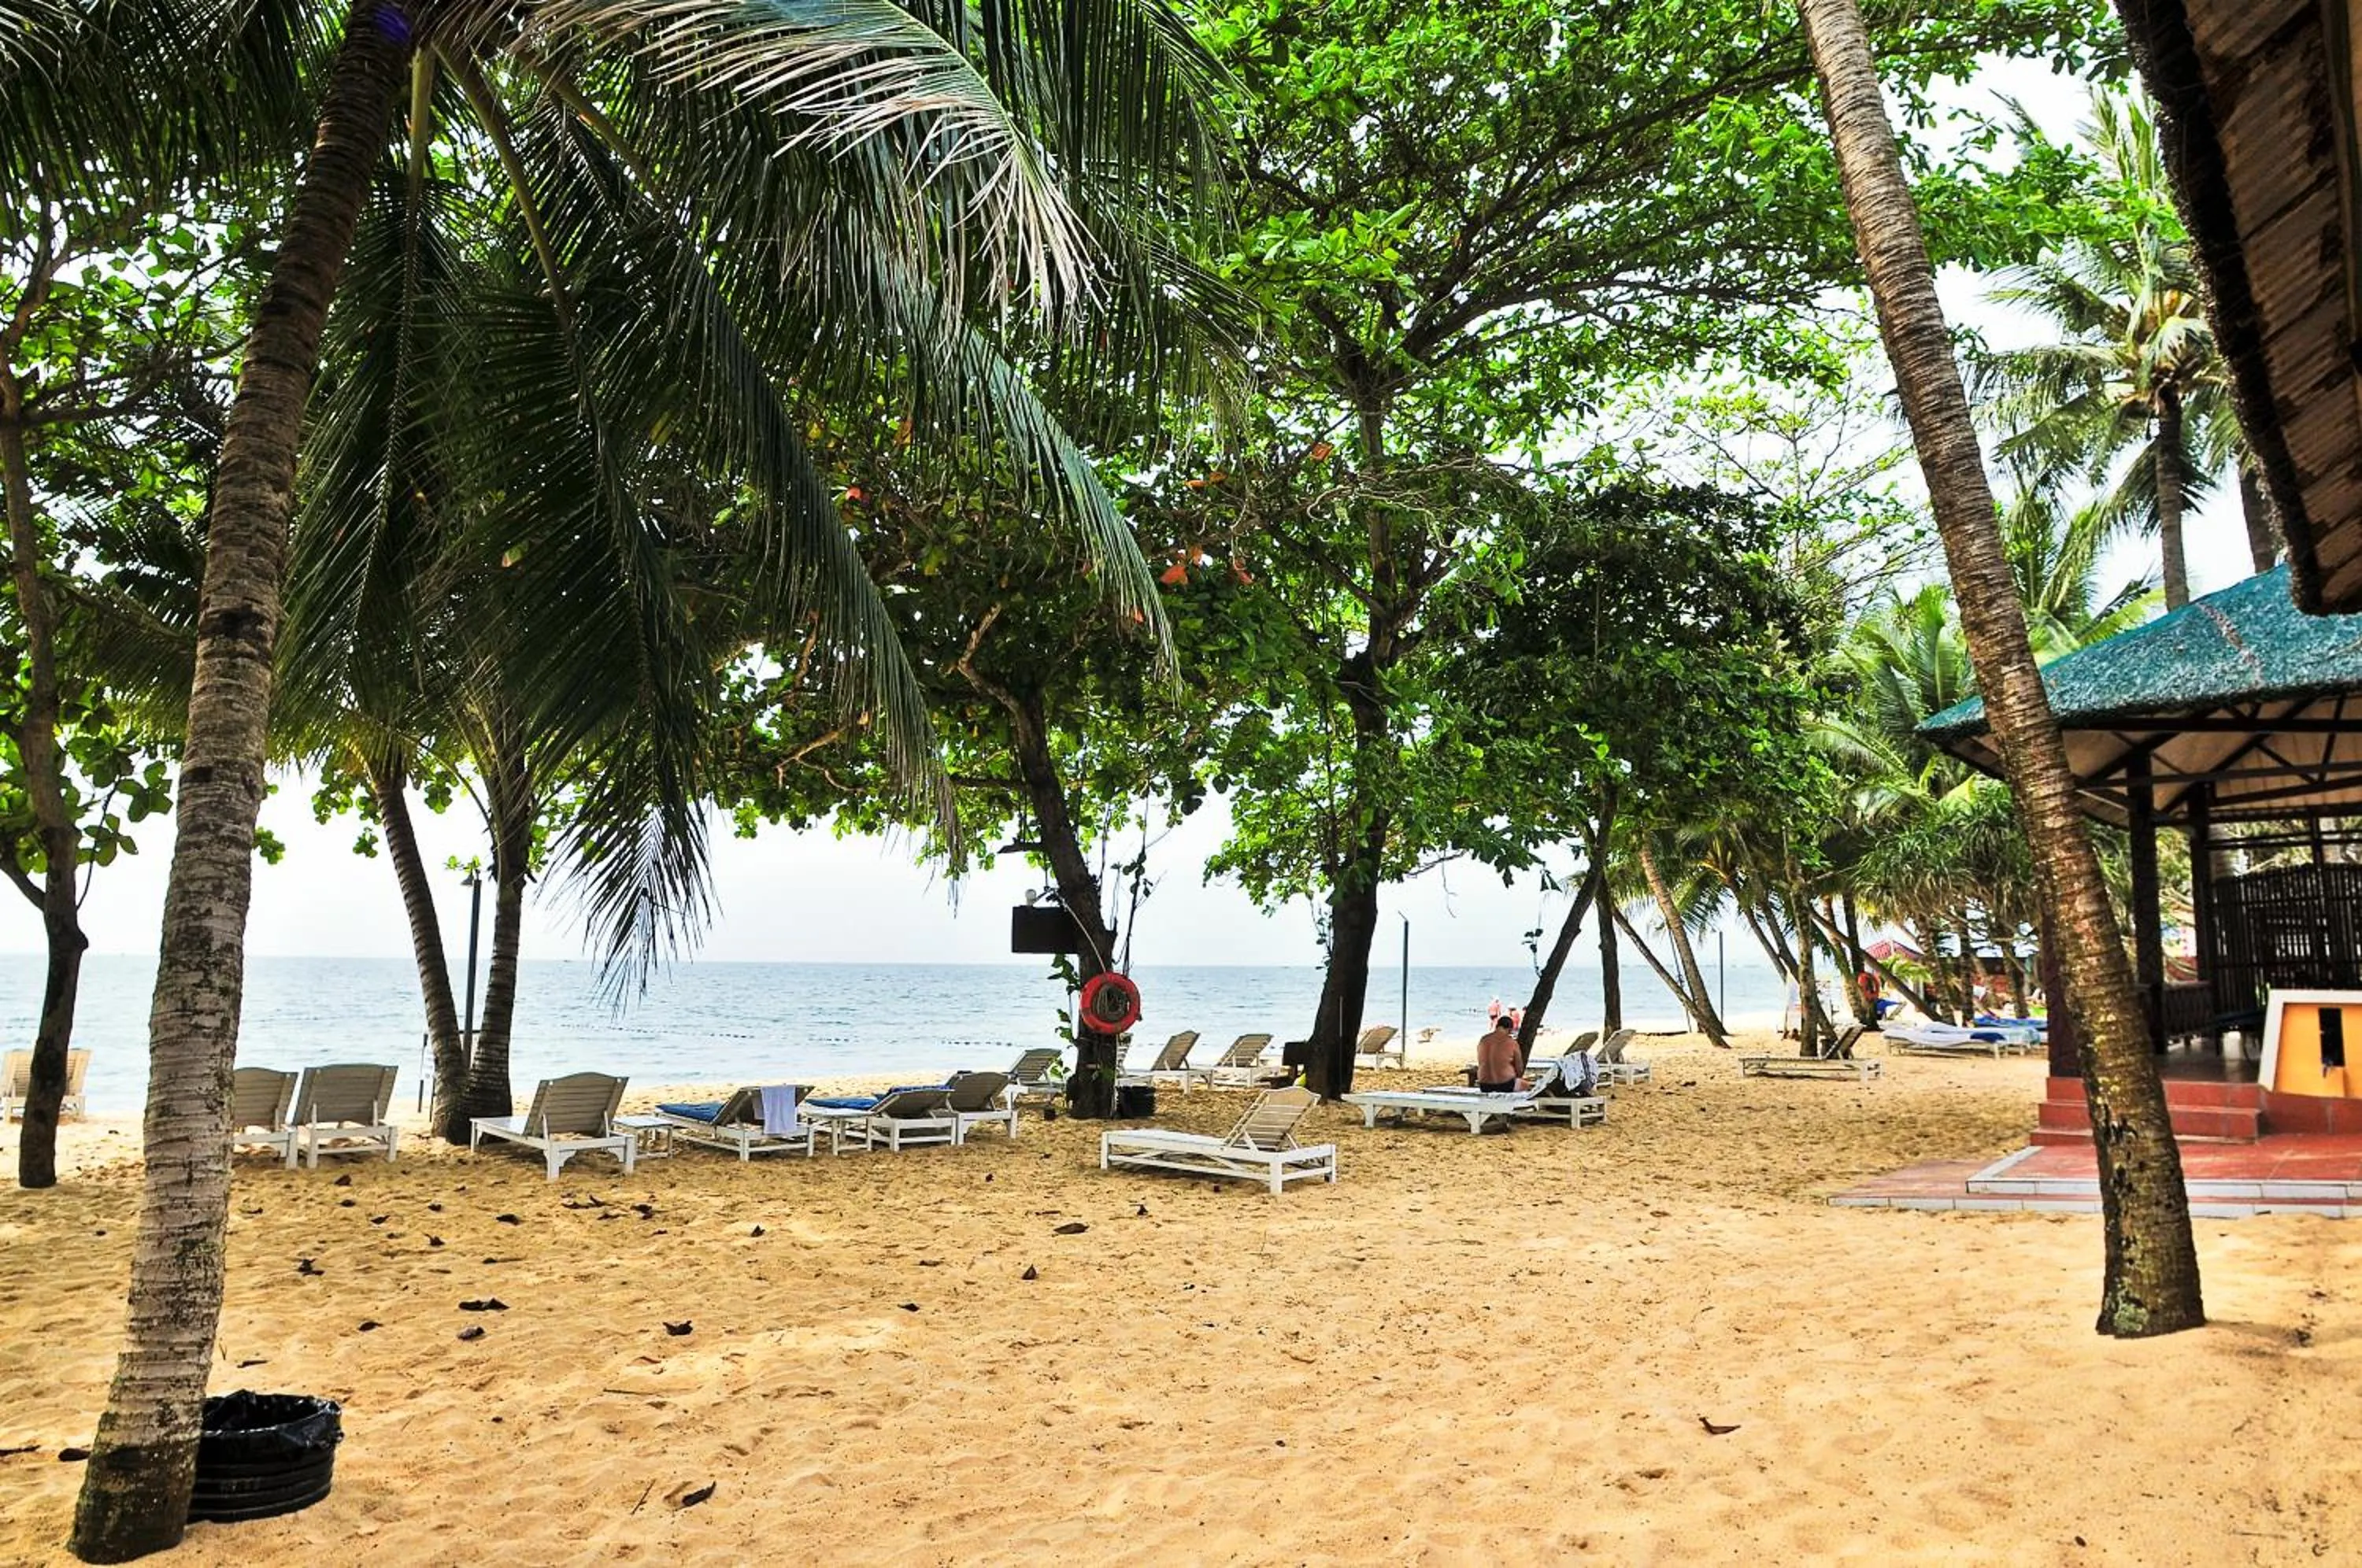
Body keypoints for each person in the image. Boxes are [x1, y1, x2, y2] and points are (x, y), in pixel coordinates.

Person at [1476, 1015, 1523, 1095]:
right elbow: (1519, 1069)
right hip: (1505, 1085)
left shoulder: (1483, 1040)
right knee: (1525, 1086)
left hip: (1484, 1085)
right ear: (1510, 1029)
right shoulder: (1512, 1043)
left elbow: (1481, 1062)